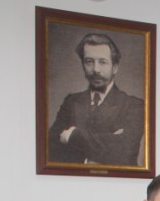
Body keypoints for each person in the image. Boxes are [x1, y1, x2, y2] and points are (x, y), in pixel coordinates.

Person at [49, 32, 145, 165]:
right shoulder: (71, 102)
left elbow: (124, 150)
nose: (95, 69)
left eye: (102, 62)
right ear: (83, 65)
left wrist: (73, 135)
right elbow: (52, 149)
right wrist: (107, 143)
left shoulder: (134, 105)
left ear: (115, 67)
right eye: (89, 61)